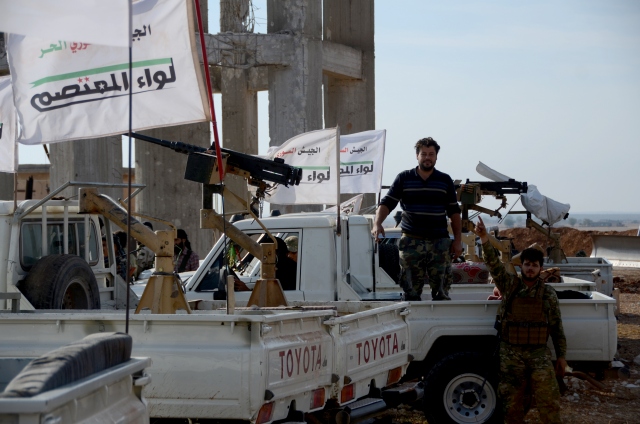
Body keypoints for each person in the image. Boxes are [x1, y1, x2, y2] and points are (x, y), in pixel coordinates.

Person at [473, 216, 567, 423]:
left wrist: (561, 356)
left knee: (549, 401)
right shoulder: (509, 285)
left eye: (534, 265)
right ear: (521, 266)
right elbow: (493, 263)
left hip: (539, 354)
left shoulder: (548, 294)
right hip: (511, 354)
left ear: (540, 268)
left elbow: (556, 327)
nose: (530, 268)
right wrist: (484, 238)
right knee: (511, 404)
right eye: (527, 264)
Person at [372, 137, 462, 300]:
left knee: (441, 291)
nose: (427, 157)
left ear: (436, 157)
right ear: (417, 156)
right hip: (411, 242)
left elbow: (454, 212)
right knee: (411, 291)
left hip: (439, 242)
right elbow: (387, 203)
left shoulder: (445, 180)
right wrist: (377, 223)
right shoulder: (404, 178)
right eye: (424, 154)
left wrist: (457, 240)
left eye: (431, 154)